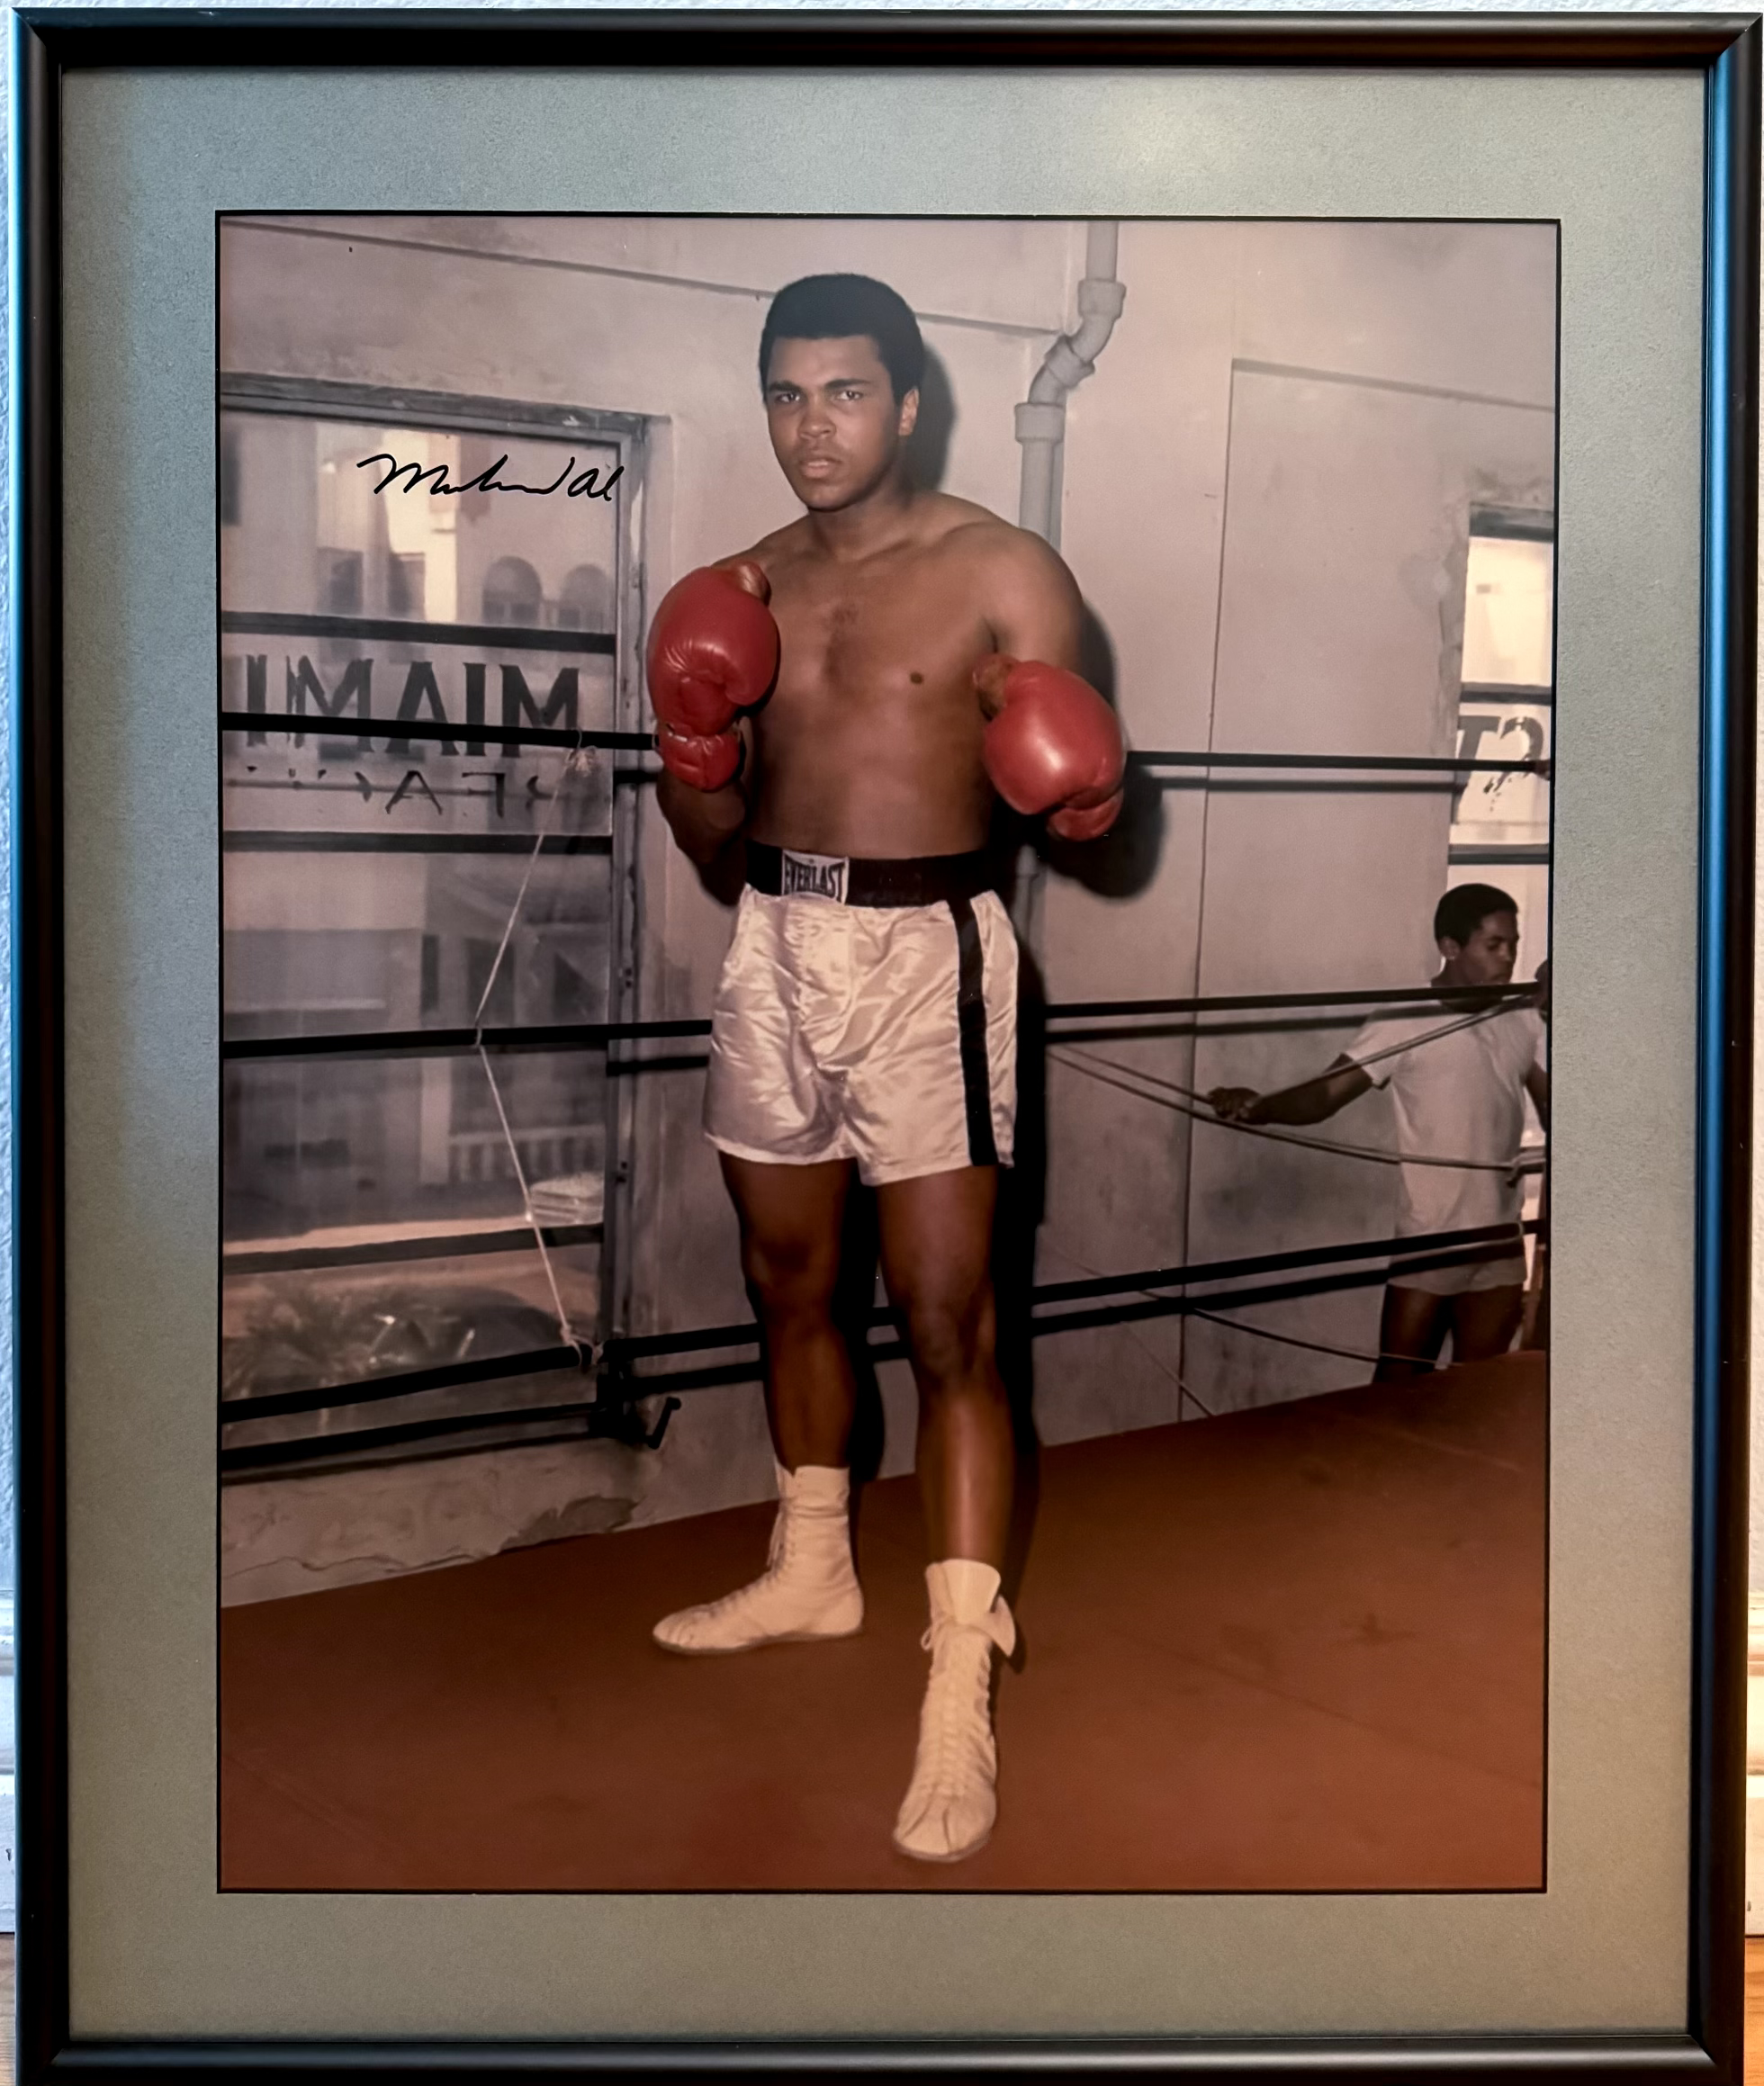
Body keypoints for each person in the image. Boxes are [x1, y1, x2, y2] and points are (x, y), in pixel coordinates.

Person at [644, 273, 1125, 1863]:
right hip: (777, 943)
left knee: (949, 1320)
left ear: (910, 402)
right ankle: (811, 1563)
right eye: (786, 394)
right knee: (785, 1283)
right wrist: (694, 747)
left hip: (935, 958)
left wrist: (1088, 798)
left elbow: (1093, 835)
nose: (810, 426)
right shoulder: (748, 585)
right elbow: (718, 852)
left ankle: (957, 1672)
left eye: (844, 392)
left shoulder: (1004, 569)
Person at [1206, 885, 1549, 1379]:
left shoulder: (1519, 1019)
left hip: (1498, 1240)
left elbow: (1557, 1106)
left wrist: (1565, 1009)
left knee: (1483, 1395)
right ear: (1450, 947)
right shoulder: (1404, 1018)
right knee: (1396, 1392)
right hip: (1431, 1237)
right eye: (1493, 945)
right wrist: (1261, 1107)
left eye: (1513, 944)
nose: (1508, 958)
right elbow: (1324, 1095)